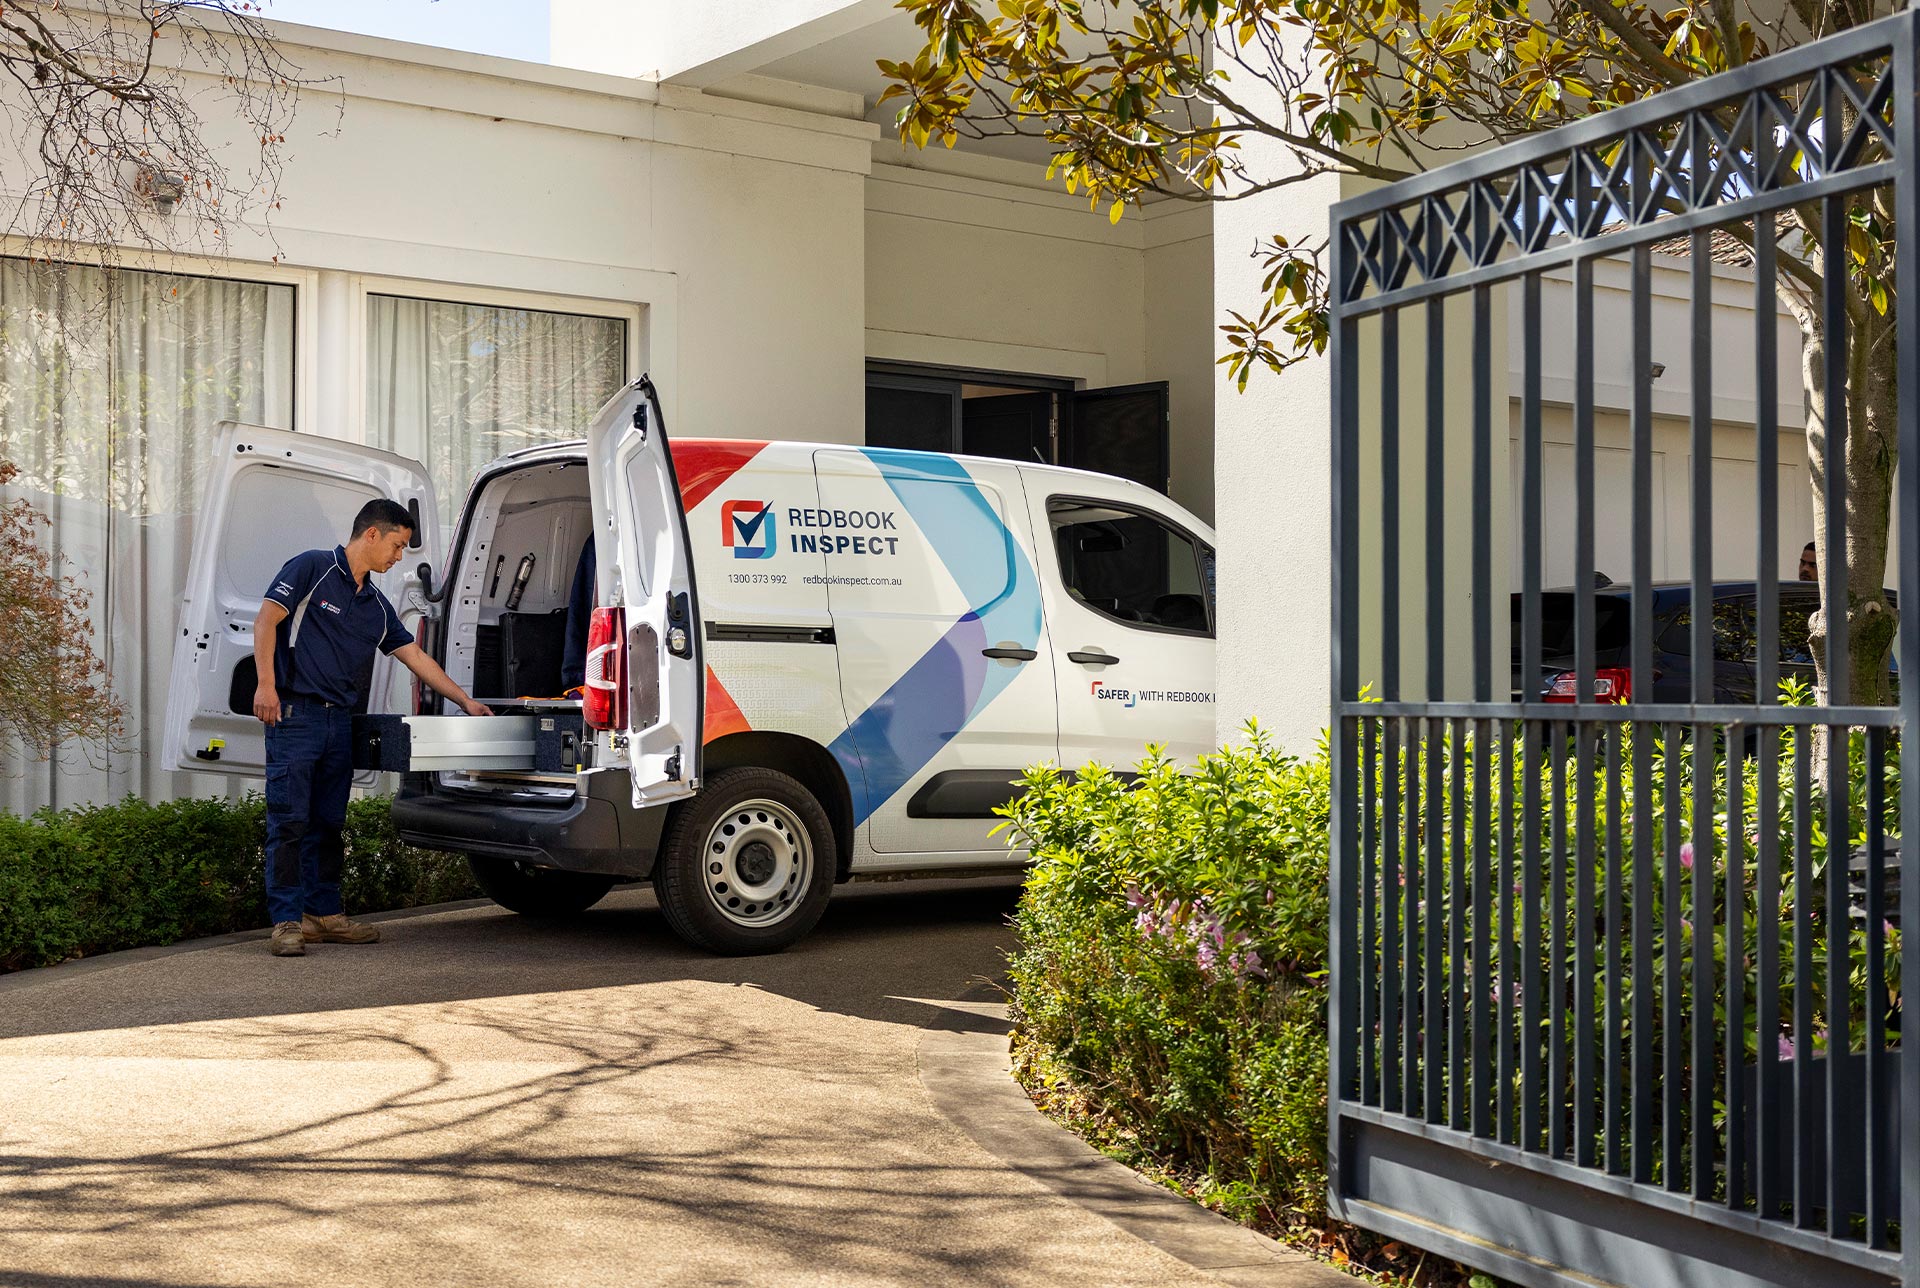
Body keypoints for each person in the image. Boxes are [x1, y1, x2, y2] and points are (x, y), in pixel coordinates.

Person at [253, 499, 493, 958]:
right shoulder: (313, 568)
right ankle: (287, 920)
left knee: (328, 822)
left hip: (340, 723)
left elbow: (415, 657)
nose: (398, 557)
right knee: (289, 822)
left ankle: (323, 915)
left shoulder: (376, 604)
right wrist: (266, 685)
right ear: (371, 535)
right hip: (295, 716)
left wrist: (464, 701)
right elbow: (266, 619)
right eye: (397, 546)